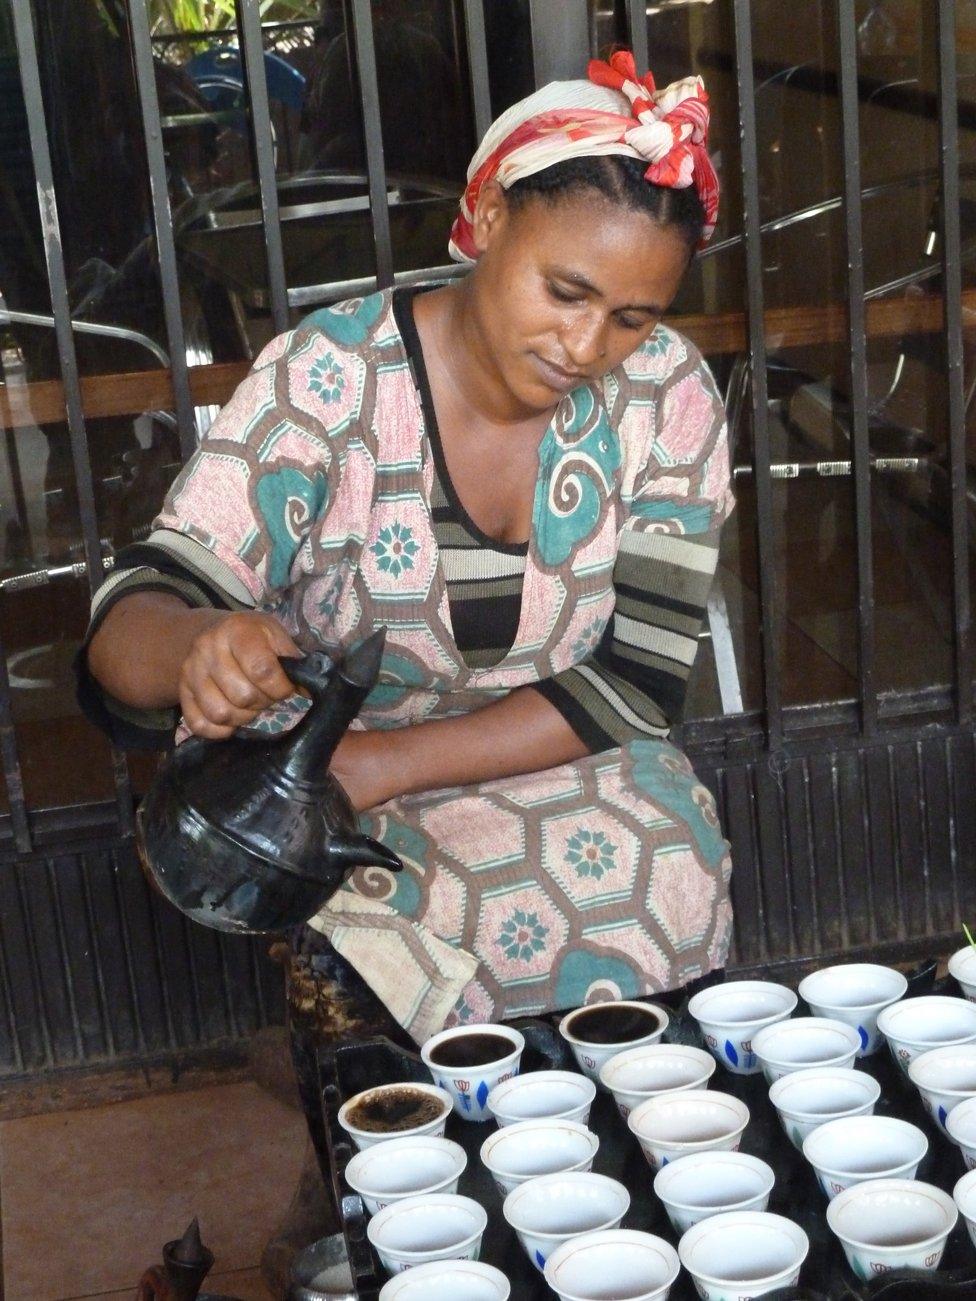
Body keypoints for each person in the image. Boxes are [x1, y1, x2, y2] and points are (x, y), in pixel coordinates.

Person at [80, 51, 734, 1050]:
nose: (586, 344)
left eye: (631, 317)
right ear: (489, 219)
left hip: (554, 747)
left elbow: (638, 678)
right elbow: (136, 619)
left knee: (668, 868)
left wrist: (383, 764)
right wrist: (193, 645)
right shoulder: (329, 380)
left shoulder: (667, 397)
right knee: (439, 944)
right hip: (315, 771)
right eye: (565, 291)